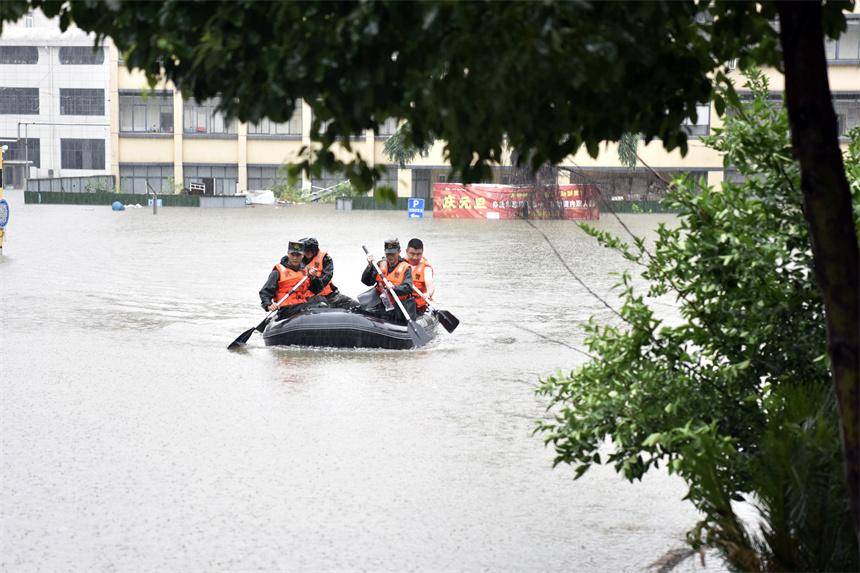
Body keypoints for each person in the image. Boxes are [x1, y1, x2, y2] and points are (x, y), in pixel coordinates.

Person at [361, 238, 417, 323]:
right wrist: (369, 266)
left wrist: (394, 288)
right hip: (382, 305)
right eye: (388, 254)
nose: (390, 257)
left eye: (393, 254)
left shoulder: (406, 268)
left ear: (399, 252)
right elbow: (367, 282)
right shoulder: (380, 265)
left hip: (399, 307)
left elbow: (408, 287)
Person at [300, 237, 359, 310]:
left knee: (355, 304)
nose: (307, 253)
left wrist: (314, 277)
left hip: (328, 294)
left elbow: (325, 279)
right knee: (321, 305)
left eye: (310, 251)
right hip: (307, 297)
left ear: (315, 250)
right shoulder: (296, 260)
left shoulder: (326, 259)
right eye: (305, 251)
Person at [258, 241, 312, 316]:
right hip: (286, 308)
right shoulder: (277, 272)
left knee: (321, 301)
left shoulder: (306, 272)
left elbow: (316, 290)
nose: (295, 258)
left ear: (302, 256)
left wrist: (314, 278)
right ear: (288, 254)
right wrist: (268, 305)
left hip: (302, 305)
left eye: (298, 255)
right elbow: (265, 292)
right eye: (292, 255)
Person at [405, 238, 435, 315]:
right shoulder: (400, 263)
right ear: (406, 251)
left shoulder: (426, 268)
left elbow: (430, 285)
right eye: (412, 254)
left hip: (418, 305)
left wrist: (428, 294)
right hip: (402, 301)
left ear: (422, 253)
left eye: (418, 254)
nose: (415, 257)